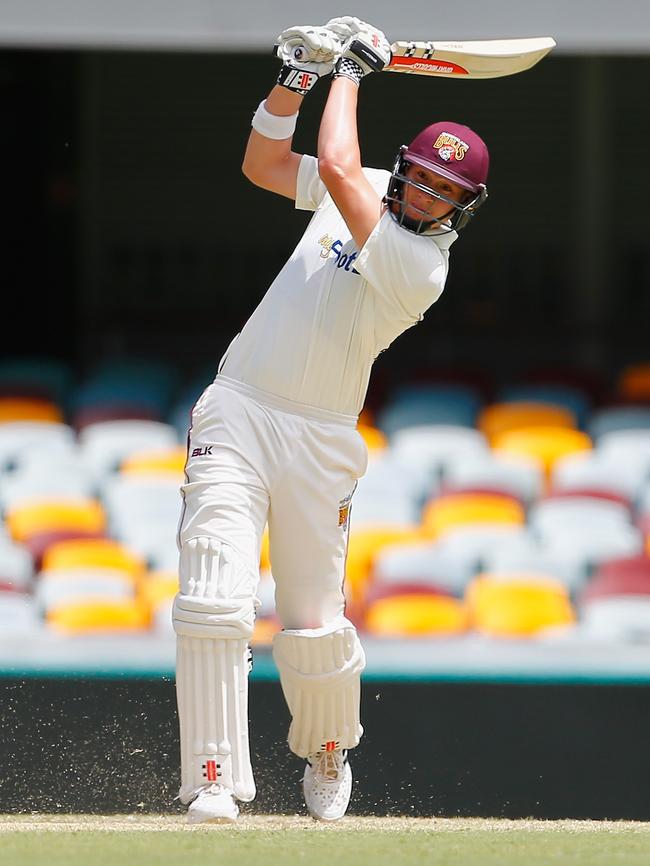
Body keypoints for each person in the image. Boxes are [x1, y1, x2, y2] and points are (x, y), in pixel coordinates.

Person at [172, 15, 489, 825]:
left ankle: (325, 750)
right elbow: (264, 163)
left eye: (445, 193)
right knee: (215, 592)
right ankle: (213, 777)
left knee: (312, 623)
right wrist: (298, 79)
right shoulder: (370, 182)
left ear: (463, 207)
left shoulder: (422, 266)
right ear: (408, 170)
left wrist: (350, 71)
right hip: (240, 405)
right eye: (421, 178)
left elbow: (341, 163)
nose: (426, 197)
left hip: (320, 438)